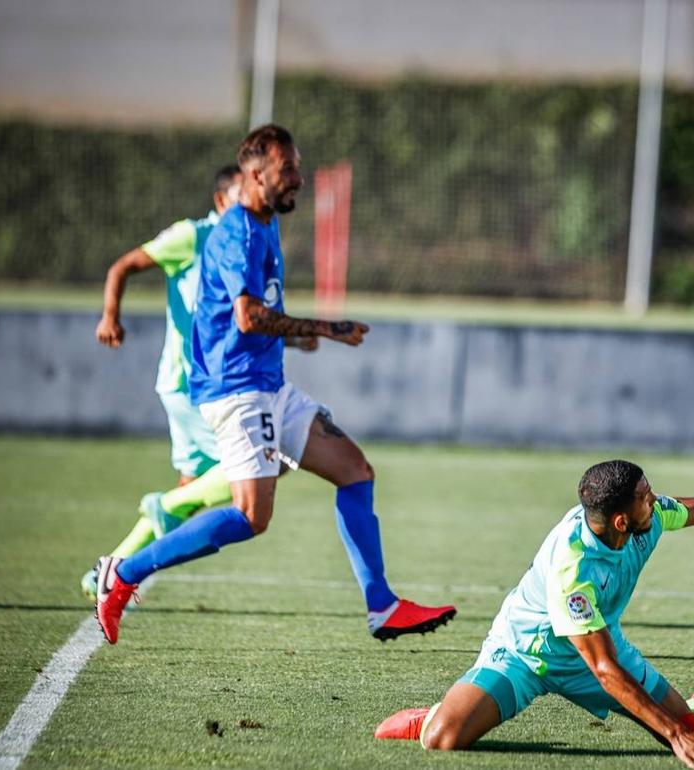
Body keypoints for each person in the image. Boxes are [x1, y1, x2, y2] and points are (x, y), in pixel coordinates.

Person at [93, 124, 455, 644]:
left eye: (298, 169)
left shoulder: (264, 222)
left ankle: (383, 606)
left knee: (355, 471)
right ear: (255, 175)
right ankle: (123, 573)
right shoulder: (238, 231)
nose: (299, 181)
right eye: (289, 171)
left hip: (268, 385)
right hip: (237, 392)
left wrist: (295, 339)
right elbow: (247, 317)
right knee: (251, 516)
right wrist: (325, 329)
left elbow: (246, 316)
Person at [375, 459, 694, 767]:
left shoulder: (644, 522)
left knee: (692, 728)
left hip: (602, 648)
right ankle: (442, 710)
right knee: (443, 739)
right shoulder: (574, 569)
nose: (657, 500)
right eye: (648, 497)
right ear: (623, 519)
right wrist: (669, 735)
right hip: (525, 656)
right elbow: (604, 670)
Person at [80, 165, 294, 601]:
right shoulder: (192, 237)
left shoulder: (248, 243)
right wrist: (109, 315)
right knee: (274, 459)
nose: (251, 203)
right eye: (242, 195)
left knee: (193, 488)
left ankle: (104, 574)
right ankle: (162, 510)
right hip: (196, 383)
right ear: (221, 201)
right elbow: (123, 265)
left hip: (206, 382)